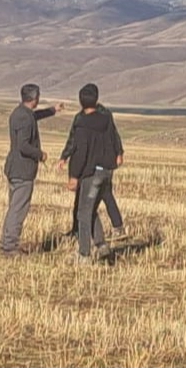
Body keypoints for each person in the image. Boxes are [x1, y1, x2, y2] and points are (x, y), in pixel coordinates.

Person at [60, 83, 124, 261]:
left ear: (81, 102)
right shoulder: (106, 118)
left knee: (83, 213)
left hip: (91, 174)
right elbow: (115, 136)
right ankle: (102, 246)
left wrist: (73, 176)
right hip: (107, 171)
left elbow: (80, 152)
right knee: (92, 209)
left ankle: (84, 254)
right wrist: (119, 153)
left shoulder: (82, 123)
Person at [0, 83, 65, 257]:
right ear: (35, 98)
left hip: (15, 168)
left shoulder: (20, 113)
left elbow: (35, 116)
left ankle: (7, 243)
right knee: (18, 210)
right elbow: (23, 145)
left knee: (14, 207)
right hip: (22, 170)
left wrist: (53, 110)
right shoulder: (24, 118)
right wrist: (40, 154)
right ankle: (9, 247)